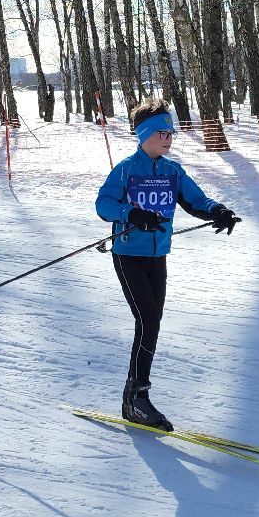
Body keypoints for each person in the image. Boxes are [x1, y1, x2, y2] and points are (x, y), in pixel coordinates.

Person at [93, 99, 241, 430]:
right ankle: (137, 399)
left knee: (152, 322)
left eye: (171, 133)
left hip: (158, 258)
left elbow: (195, 200)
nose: (169, 139)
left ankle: (134, 398)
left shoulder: (173, 172)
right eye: (163, 133)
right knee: (146, 319)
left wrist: (218, 210)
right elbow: (103, 204)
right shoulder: (127, 170)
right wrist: (131, 213)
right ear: (144, 135)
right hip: (129, 255)